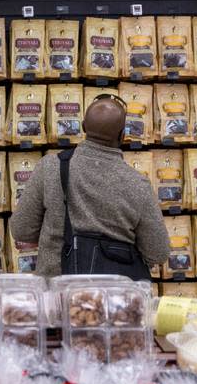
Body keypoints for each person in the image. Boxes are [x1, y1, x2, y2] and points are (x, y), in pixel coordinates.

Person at [10, 94, 171, 278]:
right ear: (123, 135)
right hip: (112, 296)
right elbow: (158, 252)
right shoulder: (138, 185)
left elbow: (21, 229)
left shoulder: (50, 167)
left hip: (56, 291)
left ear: (84, 126)